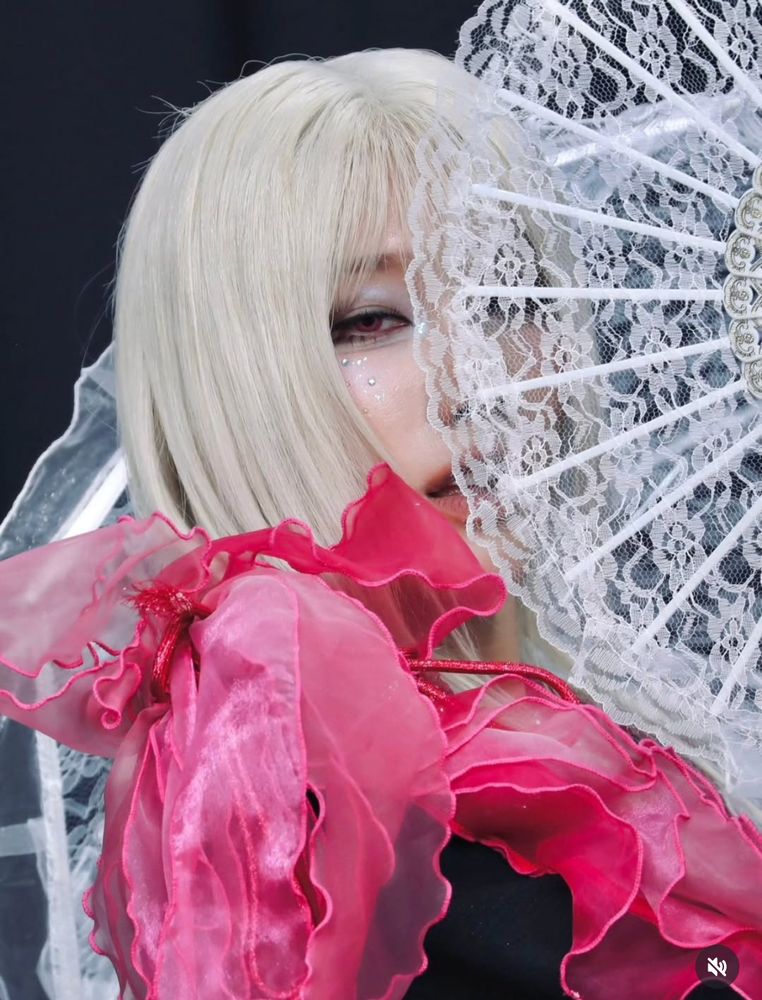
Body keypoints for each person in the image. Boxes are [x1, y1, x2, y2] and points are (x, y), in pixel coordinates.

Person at [0, 48, 760, 1000]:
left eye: (512, 293)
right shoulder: (276, 765)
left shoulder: (652, 723)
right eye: (370, 321)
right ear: (236, 378)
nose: (485, 374)